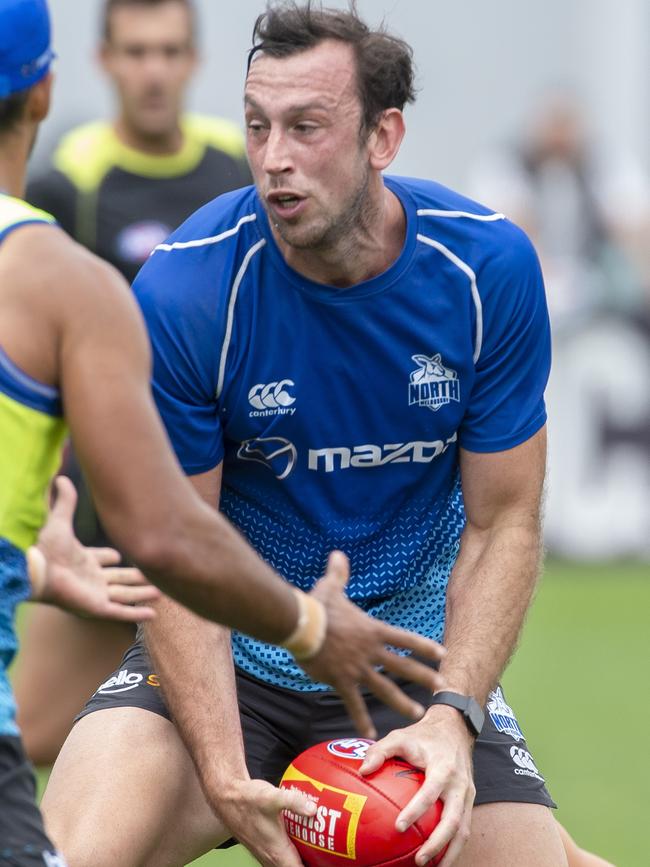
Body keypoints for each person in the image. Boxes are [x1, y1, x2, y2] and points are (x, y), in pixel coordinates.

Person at [41, 4, 577, 867]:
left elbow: (504, 521)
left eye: (307, 127)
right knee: (69, 853)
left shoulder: (486, 271)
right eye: (257, 126)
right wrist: (222, 772)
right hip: (228, 666)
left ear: (383, 137)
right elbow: (180, 550)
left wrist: (454, 712)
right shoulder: (188, 287)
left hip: (409, 672)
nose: (274, 158)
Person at [0, 1, 447, 863]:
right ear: (53, 85)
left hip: (125, 546)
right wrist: (313, 630)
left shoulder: (225, 186)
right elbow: (168, 535)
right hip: (156, 542)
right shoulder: (63, 265)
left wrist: (26, 553)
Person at [15, 0, 255, 765]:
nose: (153, 71)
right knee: (28, 733)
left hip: (229, 511)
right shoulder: (69, 181)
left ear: (193, 60)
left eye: (169, 51)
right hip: (108, 521)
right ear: (104, 61)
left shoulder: (240, 170)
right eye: (137, 52)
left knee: (272, 746)